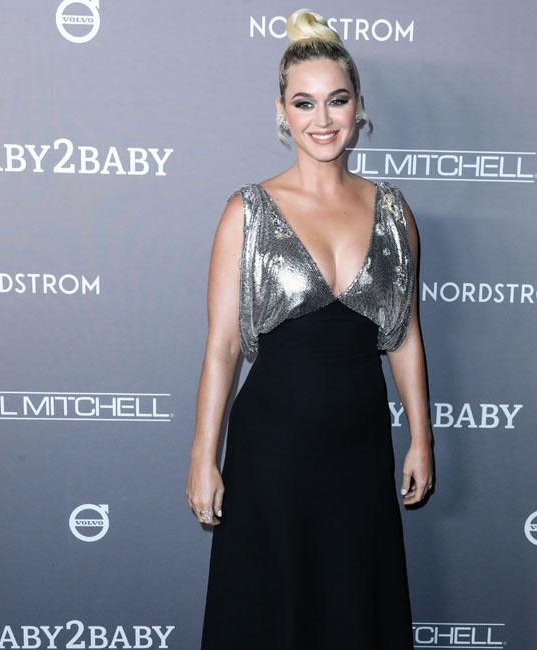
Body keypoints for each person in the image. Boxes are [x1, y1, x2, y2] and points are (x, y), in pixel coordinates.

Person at [187, 8, 434, 649]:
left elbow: (404, 333)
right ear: (282, 112)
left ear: (358, 107)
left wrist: (421, 439)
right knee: (271, 613)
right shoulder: (247, 211)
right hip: (271, 450)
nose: (322, 119)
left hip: (359, 446)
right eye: (304, 103)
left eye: (336, 100)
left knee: (353, 607)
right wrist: (203, 459)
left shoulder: (392, 211)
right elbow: (222, 346)